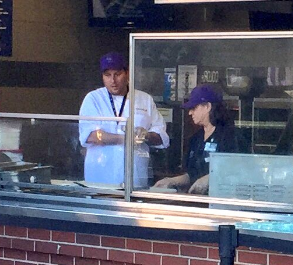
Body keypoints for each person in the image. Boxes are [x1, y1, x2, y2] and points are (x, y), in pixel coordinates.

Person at [79, 52, 169, 188]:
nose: (112, 81)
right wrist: (128, 138)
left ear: (127, 73)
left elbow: (162, 137)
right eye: (107, 75)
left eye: (117, 74)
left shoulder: (144, 99)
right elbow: (90, 136)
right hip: (99, 179)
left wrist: (146, 135)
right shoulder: (93, 99)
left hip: (135, 180)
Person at [153, 84, 239, 195]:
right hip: (197, 200)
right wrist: (171, 181)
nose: (190, 112)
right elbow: (191, 174)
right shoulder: (196, 138)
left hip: (222, 200)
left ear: (207, 106)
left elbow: (237, 170)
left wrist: (209, 179)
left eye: (194, 108)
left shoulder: (230, 136)